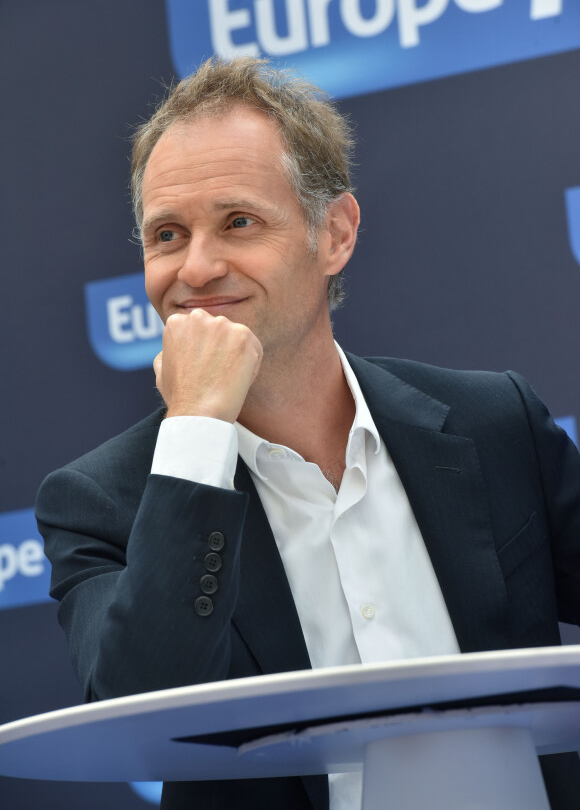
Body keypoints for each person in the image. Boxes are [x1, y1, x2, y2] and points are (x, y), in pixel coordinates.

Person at [37, 56, 580, 810]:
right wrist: (197, 431)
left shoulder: (496, 423)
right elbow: (146, 713)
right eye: (167, 234)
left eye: (238, 222)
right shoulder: (100, 500)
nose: (196, 267)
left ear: (335, 233)